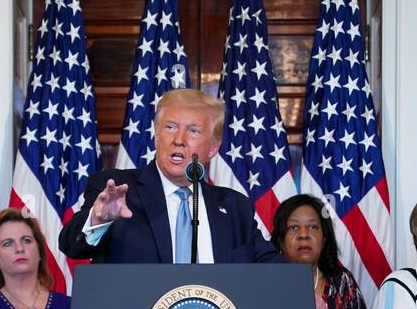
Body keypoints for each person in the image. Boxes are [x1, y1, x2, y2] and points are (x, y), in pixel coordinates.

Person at [59, 88, 282, 264]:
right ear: (156, 136)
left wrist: (307, 289)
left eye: (193, 131)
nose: (179, 139)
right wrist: (98, 220)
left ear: (213, 148)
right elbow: (71, 246)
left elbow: (270, 268)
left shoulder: (234, 207)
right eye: (170, 127)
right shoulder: (119, 191)